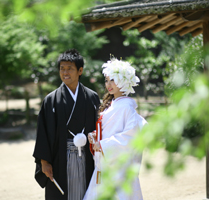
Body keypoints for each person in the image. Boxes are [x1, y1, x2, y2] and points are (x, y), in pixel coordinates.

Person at [33, 49, 100, 200]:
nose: (65, 72)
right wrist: (44, 161)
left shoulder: (92, 97)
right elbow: (43, 132)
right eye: (62, 69)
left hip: (87, 156)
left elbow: (99, 127)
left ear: (80, 70)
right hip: (60, 157)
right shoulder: (51, 100)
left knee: (87, 193)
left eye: (70, 68)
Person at [83, 58, 147, 200]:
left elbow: (131, 136)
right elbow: (109, 129)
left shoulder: (126, 106)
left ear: (124, 81)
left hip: (117, 163)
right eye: (106, 80)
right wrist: (95, 135)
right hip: (106, 160)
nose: (108, 84)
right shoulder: (112, 104)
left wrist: (103, 144)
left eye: (113, 80)